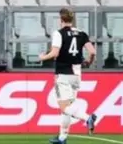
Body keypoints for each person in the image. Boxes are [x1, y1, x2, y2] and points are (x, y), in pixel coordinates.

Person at [39, 8, 98, 144]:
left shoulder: (59, 34)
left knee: (64, 107)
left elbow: (55, 53)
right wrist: (89, 61)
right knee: (67, 109)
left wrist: (42, 57)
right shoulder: (82, 34)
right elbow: (93, 51)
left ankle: (88, 118)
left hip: (63, 73)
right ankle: (62, 138)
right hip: (77, 74)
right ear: (72, 19)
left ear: (61, 19)